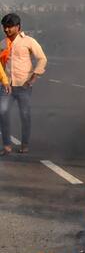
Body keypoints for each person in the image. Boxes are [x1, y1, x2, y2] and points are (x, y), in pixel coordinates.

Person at [0, 13, 46, 155]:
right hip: (6, 86)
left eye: (9, 27)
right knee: (3, 112)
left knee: (24, 114)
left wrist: (34, 77)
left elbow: (42, 59)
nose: (6, 30)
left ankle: (24, 144)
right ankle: (7, 145)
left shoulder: (29, 41)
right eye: (4, 27)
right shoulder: (2, 44)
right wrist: (3, 81)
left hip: (23, 85)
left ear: (18, 27)